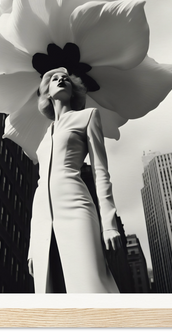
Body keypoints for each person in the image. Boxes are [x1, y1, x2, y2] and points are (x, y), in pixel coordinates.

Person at [27, 67, 122, 293]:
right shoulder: (44, 137)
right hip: (42, 217)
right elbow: (41, 185)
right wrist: (33, 244)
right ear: (47, 93)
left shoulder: (87, 116)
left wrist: (109, 224)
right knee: (50, 291)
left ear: (73, 91)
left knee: (91, 283)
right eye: (54, 79)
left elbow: (101, 171)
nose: (61, 80)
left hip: (76, 206)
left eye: (66, 80)